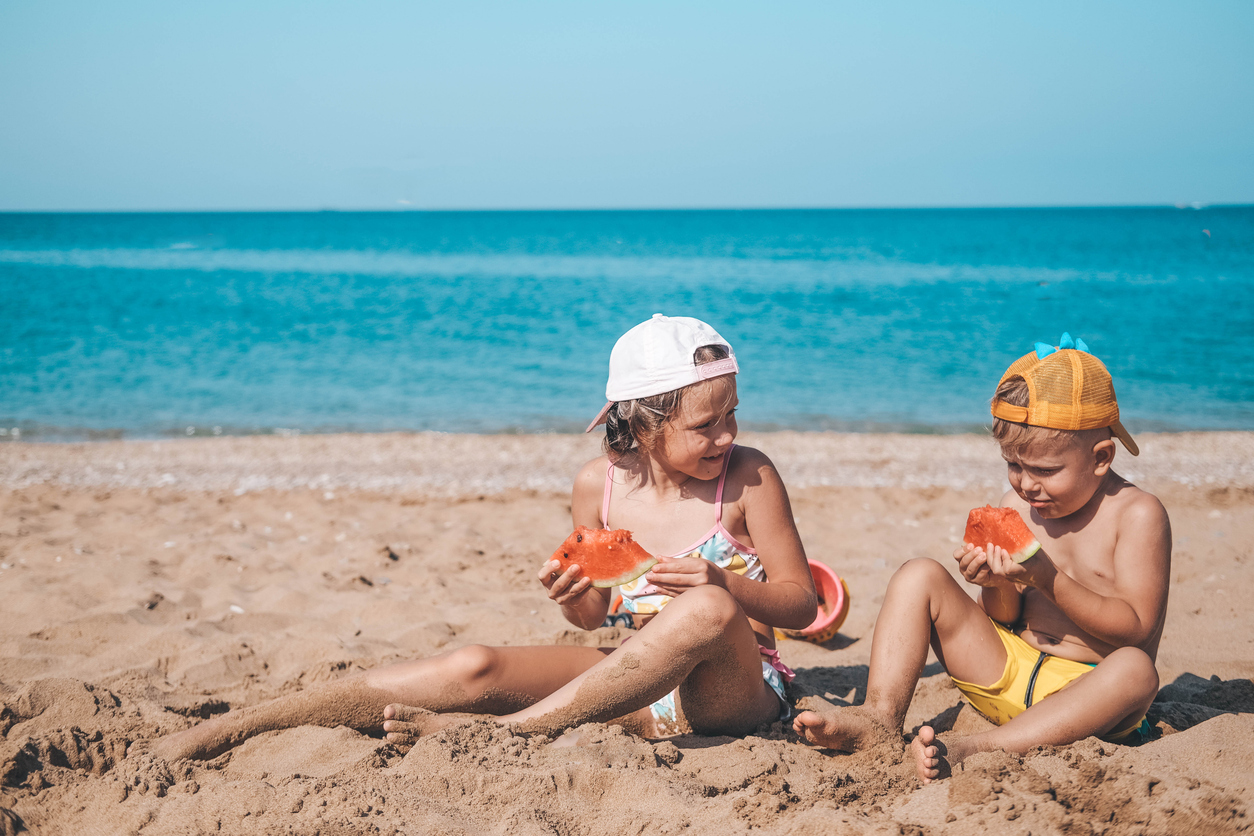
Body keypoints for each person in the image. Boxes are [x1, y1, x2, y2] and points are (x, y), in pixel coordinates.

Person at [138, 313, 816, 761]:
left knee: (708, 609)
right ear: (642, 425)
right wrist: (572, 597)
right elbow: (596, 617)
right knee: (473, 666)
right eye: (706, 425)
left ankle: (501, 738)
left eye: (732, 414)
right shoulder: (598, 485)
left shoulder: (749, 477)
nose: (726, 435)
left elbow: (803, 603)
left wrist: (724, 583)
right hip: (630, 684)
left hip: (734, 694)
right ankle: (237, 727)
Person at [792, 333, 1171, 784]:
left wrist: (1047, 578)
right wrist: (997, 586)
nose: (1027, 485)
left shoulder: (1137, 515)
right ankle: (880, 717)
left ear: (1101, 458)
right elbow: (1004, 621)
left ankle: (976, 747)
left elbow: (1137, 630)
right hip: (1006, 672)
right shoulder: (1021, 505)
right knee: (919, 575)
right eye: (1014, 464)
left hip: (1085, 698)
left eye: (1046, 471)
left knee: (1137, 672)